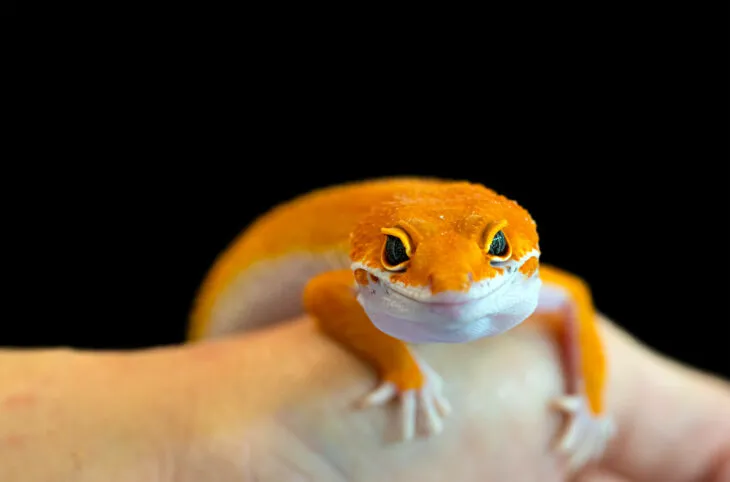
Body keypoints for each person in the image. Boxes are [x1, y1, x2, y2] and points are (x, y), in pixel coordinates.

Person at [1, 313, 728, 482]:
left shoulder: (546, 299)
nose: (454, 293)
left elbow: (574, 303)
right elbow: (327, 295)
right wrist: (402, 367)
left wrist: (590, 396)